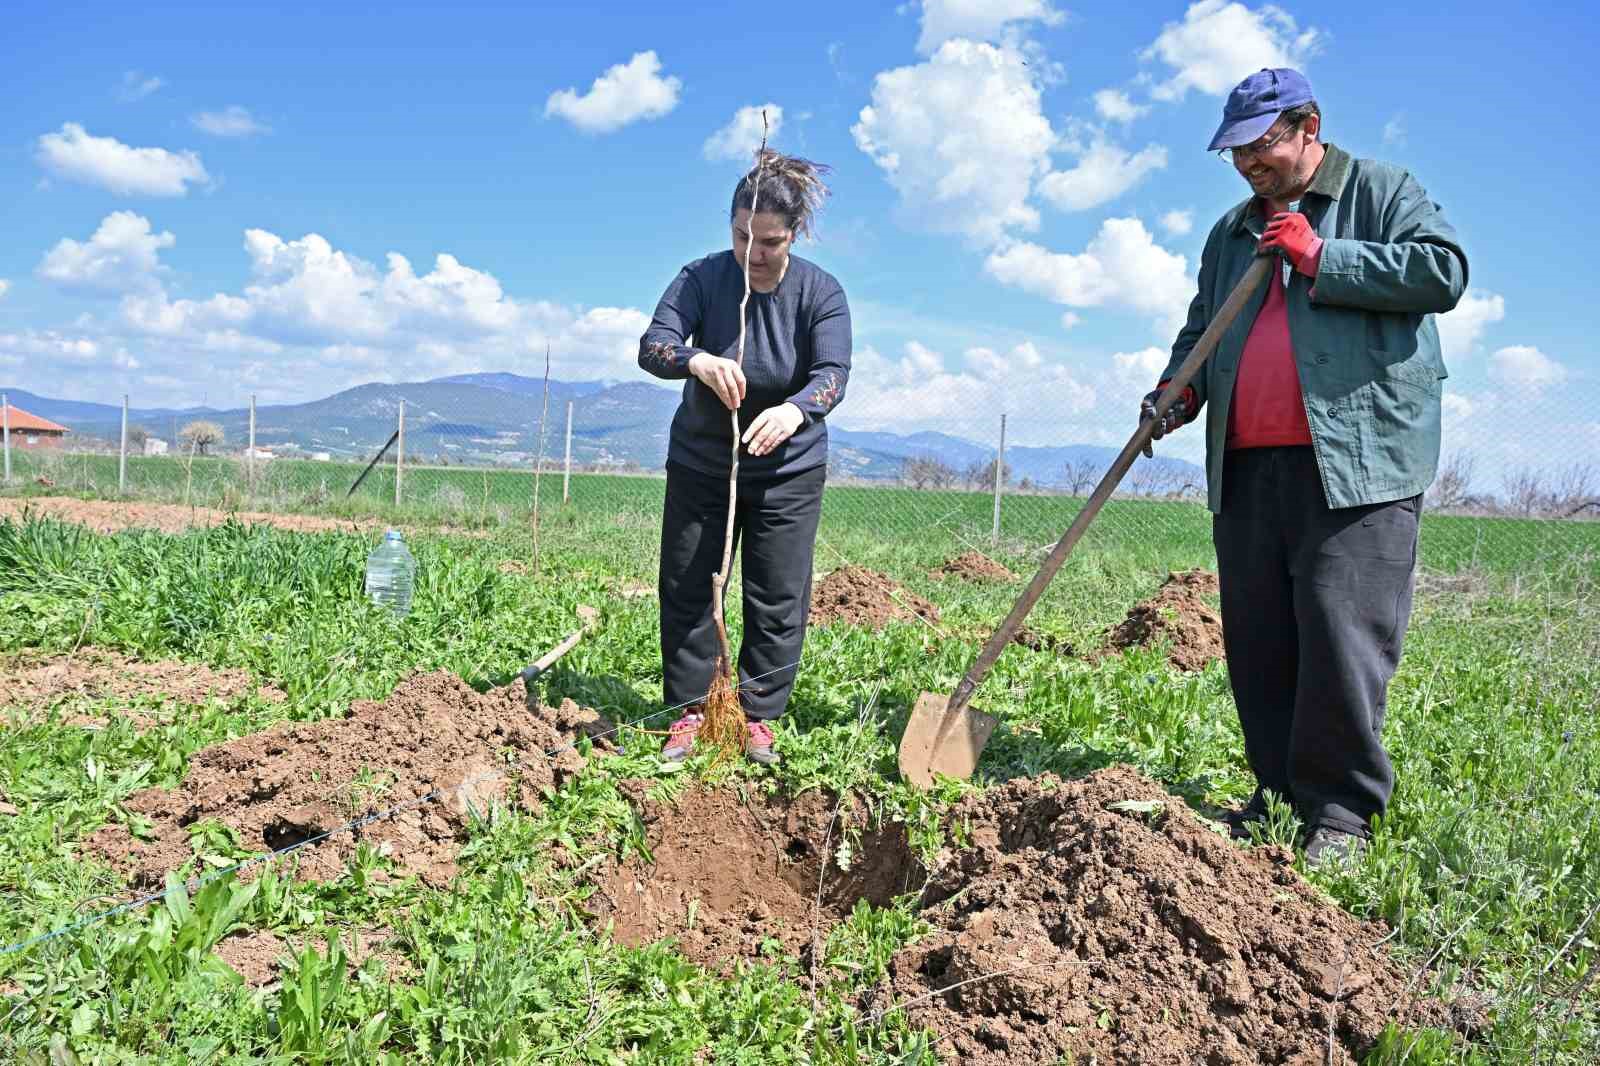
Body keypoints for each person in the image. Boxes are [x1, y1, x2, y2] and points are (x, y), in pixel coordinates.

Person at [1141, 68, 1466, 864]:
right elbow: (1203, 330)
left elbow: (1443, 273)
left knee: (1339, 635)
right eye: (1237, 153)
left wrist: (1323, 256)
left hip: (1355, 463)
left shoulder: (1382, 192)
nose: (1250, 163)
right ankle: (1278, 797)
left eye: (1263, 145)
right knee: (1260, 638)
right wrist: (1175, 393)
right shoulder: (1230, 232)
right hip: (1250, 464)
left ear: (1309, 126)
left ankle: (1342, 815)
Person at [637, 150, 851, 765]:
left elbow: (832, 372)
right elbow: (654, 345)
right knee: (686, 583)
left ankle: (757, 715)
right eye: (741, 236)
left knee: (777, 591)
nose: (752, 253)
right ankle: (689, 709)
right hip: (704, 462)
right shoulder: (702, 279)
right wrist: (696, 360)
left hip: (788, 469)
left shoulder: (821, 292)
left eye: (769, 241)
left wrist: (795, 411)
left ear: (794, 235)